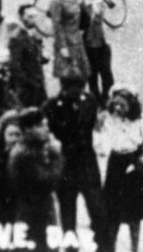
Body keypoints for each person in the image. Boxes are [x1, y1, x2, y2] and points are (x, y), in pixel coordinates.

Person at [42, 73, 110, 252]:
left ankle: (103, 246)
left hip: (87, 161)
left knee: (97, 207)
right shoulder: (51, 106)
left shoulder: (89, 101)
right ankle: (71, 245)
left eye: (80, 89)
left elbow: (94, 125)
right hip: (65, 163)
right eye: (74, 89)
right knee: (67, 208)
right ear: (64, 88)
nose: (79, 93)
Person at [98, 86, 143, 252]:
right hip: (115, 163)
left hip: (135, 164)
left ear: (131, 104)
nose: (118, 108)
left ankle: (134, 248)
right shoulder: (109, 118)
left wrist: (137, 162)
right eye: (115, 104)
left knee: (134, 213)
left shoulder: (142, 119)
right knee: (112, 211)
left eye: (122, 105)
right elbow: (103, 143)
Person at [7, 108, 63, 252]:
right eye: (42, 125)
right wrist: (56, 156)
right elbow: (46, 179)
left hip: (38, 209)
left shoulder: (36, 148)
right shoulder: (24, 153)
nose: (47, 129)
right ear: (29, 129)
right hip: (32, 211)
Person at [50, 0, 90, 83]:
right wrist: (62, 46)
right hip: (67, 41)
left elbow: (84, 18)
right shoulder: (57, 1)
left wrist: (83, 4)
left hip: (77, 39)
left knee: (82, 74)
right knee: (69, 76)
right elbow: (57, 25)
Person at [81, 0, 115, 105]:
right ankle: (97, 102)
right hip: (89, 43)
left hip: (101, 42)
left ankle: (106, 99)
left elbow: (99, 20)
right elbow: (88, 22)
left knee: (107, 75)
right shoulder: (82, 4)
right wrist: (94, 9)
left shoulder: (99, 2)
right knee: (92, 77)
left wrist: (97, 7)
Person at [7, 4, 48, 109]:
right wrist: (30, 83)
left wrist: (42, 58)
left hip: (38, 83)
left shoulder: (32, 33)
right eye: (29, 16)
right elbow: (15, 66)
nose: (33, 20)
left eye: (34, 16)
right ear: (21, 17)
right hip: (28, 89)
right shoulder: (17, 38)